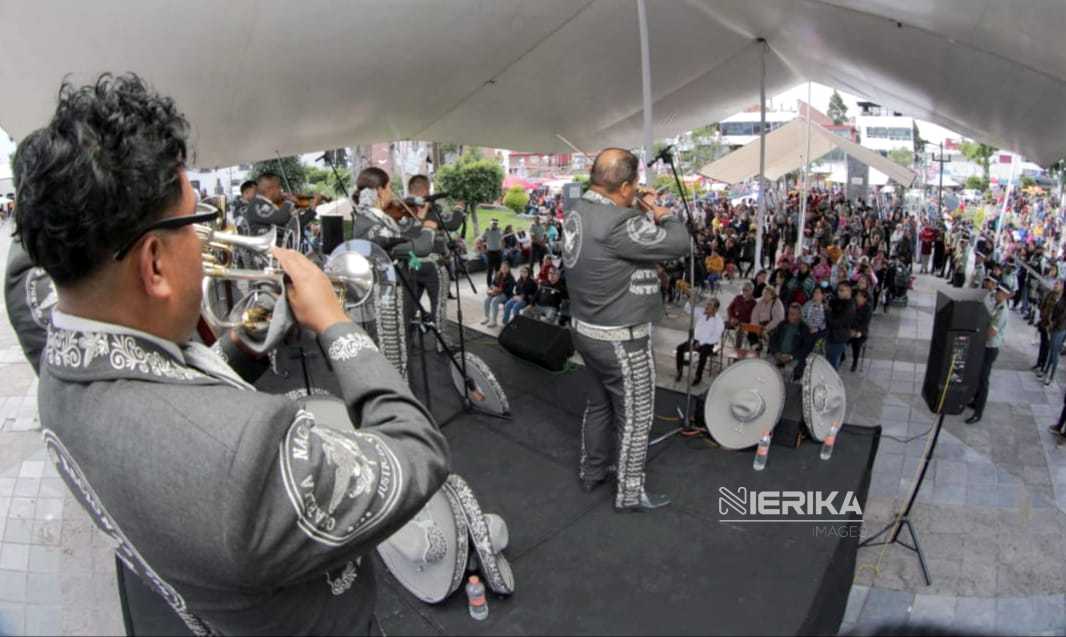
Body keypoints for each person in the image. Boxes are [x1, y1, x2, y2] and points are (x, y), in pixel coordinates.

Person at [13, 73, 449, 635]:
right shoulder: (243, 459)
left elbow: (167, 386)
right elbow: (416, 452)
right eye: (197, 222)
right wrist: (336, 324)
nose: (206, 242)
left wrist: (243, 344)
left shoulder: (58, 356)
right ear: (152, 264)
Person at [564, 148, 688, 512]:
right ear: (623, 186)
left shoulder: (579, 211)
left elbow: (615, 231)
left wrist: (635, 204)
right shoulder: (620, 223)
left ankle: (592, 472)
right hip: (622, 338)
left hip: (585, 330)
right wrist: (661, 211)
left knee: (598, 406)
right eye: (634, 185)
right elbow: (680, 243)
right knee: (636, 417)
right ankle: (630, 493)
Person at [967, 283, 1011, 423]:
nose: (996, 293)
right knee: (979, 376)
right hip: (985, 346)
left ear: (1004, 294)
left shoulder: (1002, 310)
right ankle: (975, 401)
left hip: (990, 348)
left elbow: (991, 333)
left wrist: (978, 336)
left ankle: (978, 412)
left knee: (984, 380)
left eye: (999, 291)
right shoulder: (997, 305)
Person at [674, 298, 725, 385]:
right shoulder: (702, 312)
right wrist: (690, 298)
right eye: (707, 304)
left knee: (703, 354)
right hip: (695, 340)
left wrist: (700, 343)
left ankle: (698, 376)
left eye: (710, 305)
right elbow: (688, 309)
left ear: (715, 309)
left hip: (708, 344)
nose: (707, 306)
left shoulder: (719, 322)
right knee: (680, 348)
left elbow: (715, 338)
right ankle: (679, 372)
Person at [767, 302, 812, 381]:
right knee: (767, 366)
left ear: (799, 315)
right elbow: (773, 339)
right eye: (789, 313)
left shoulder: (804, 328)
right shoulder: (782, 324)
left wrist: (792, 356)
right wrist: (776, 352)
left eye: (793, 314)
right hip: (778, 354)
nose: (790, 316)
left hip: (793, 357)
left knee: (788, 371)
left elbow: (806, 348)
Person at [826, 281, 855, 370]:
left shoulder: (849, 307)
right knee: (829, 361)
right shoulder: (841, 301)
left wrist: (827, 311)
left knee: (832, 364)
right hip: (832, 335)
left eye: (842, 290)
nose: (839, 292)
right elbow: (833, 302)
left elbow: (836, 323)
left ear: (849, 291)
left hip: (838, 338)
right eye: (838, 290)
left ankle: (832, 383)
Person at [481, 261, 514, 328]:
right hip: (496, 292)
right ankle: (486, 317)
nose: (504, 269)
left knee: (494, 301)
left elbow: (509, 290)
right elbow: (492, 284)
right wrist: (492, 289)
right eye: (502, 267)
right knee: (487, 300)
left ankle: (494, 321)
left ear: (509, 268)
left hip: (505, 294)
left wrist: (499, 290)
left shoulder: (511, 278)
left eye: (505, 268)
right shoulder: (498, 274)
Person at [848, 289, 873, 372]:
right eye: (857, 295)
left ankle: (855, 362)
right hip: (849, 329)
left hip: (860, 331)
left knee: (856, 343)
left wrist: (856, 331)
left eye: (859, 296)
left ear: (864, 298)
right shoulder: (852, 304)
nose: (857, 297)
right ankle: (841, 356)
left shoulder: (868, 308)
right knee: (841, 339)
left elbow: (865, 323)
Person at [481, 219, 503, 286]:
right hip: (490, 252)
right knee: (490, 270)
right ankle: (489, 284)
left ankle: (497, 283)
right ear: (491, 224)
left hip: (498, 251)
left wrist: (502, 247)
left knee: (498, 270)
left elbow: (502, 239)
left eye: (496, 224)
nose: (494, 225)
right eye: (493, 224)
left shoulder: (500, 230)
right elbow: (482, 239)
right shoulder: (487, 231)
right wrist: (483, 249)